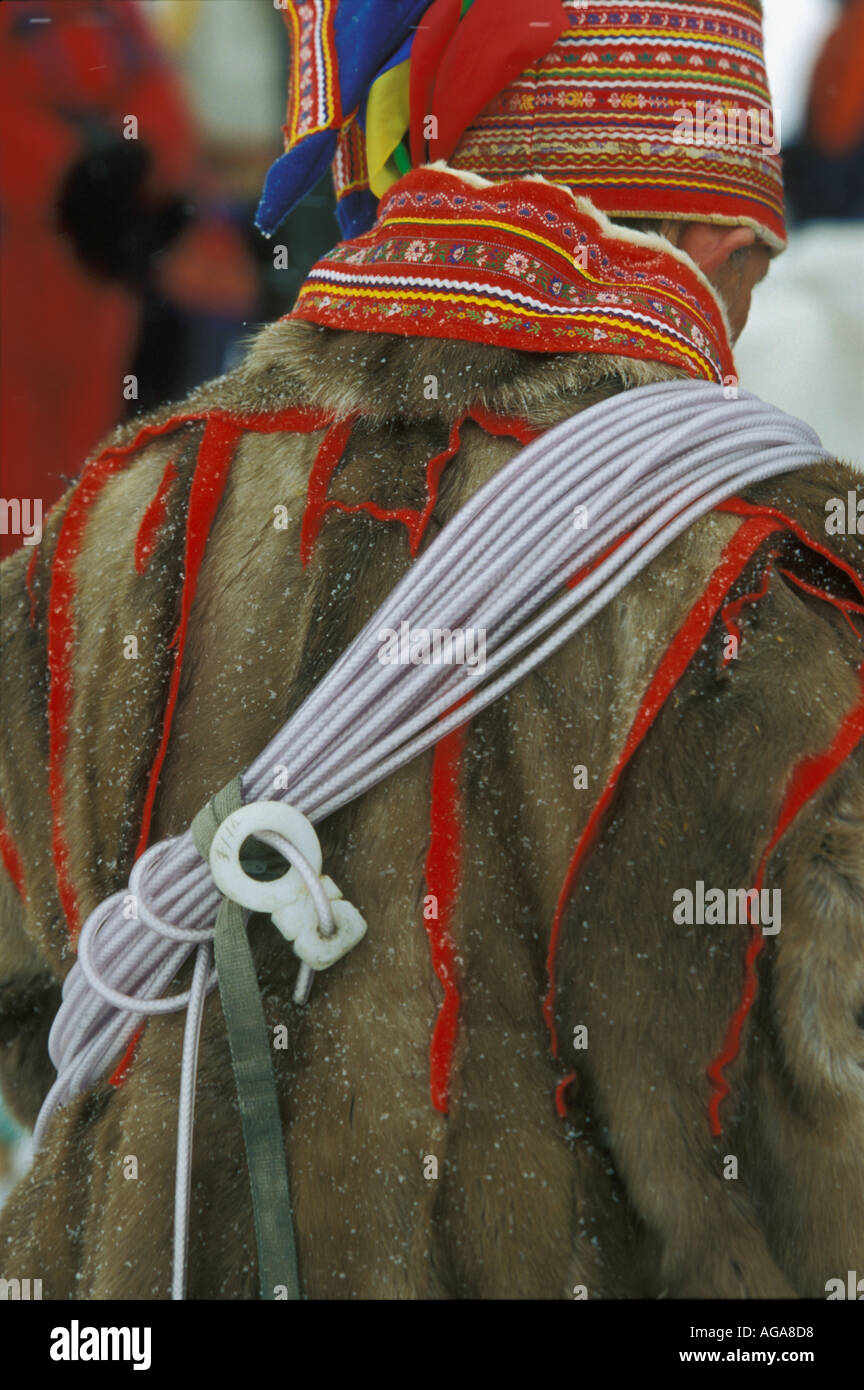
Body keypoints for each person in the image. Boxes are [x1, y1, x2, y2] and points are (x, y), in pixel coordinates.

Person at [1, 0, 862, 1300]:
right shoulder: (775, 576)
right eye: (747, 264)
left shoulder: (101, 531)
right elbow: (801, 1180)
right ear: (695, 234)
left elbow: (42, 1017)